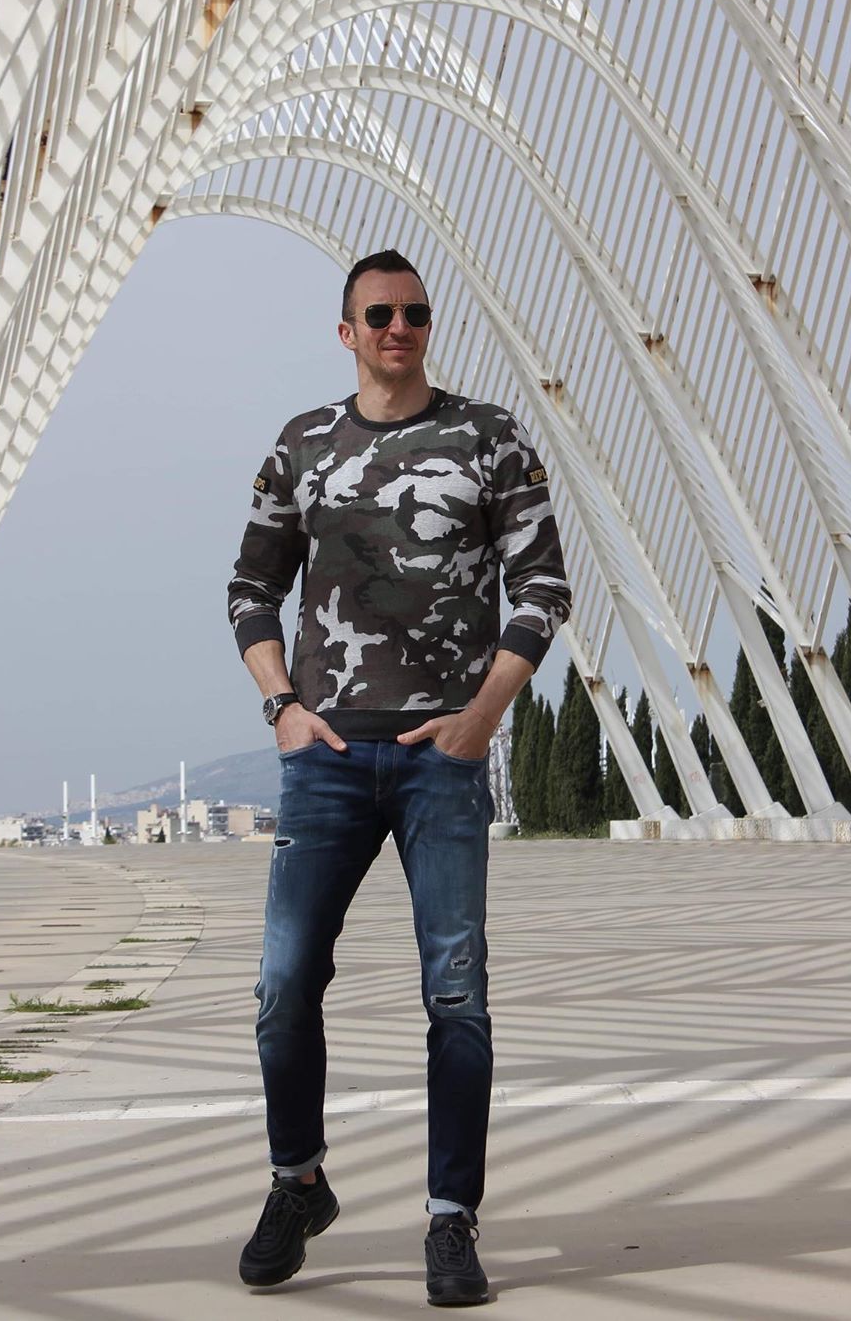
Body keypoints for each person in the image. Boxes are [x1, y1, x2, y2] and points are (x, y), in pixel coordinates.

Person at [226, 249, 571, 1306]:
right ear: (347, 330)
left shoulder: (490, 438)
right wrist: (283, 708)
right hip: (326, 761)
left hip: (440, 763)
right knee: (285, 985)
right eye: (378, 313)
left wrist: (481, 718)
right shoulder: (302, 445)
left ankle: (451, 1218)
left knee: (456, 992)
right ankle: (298, 1182)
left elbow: (544, 587)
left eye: (415, 313)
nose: (398, 328)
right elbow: (250, 589)